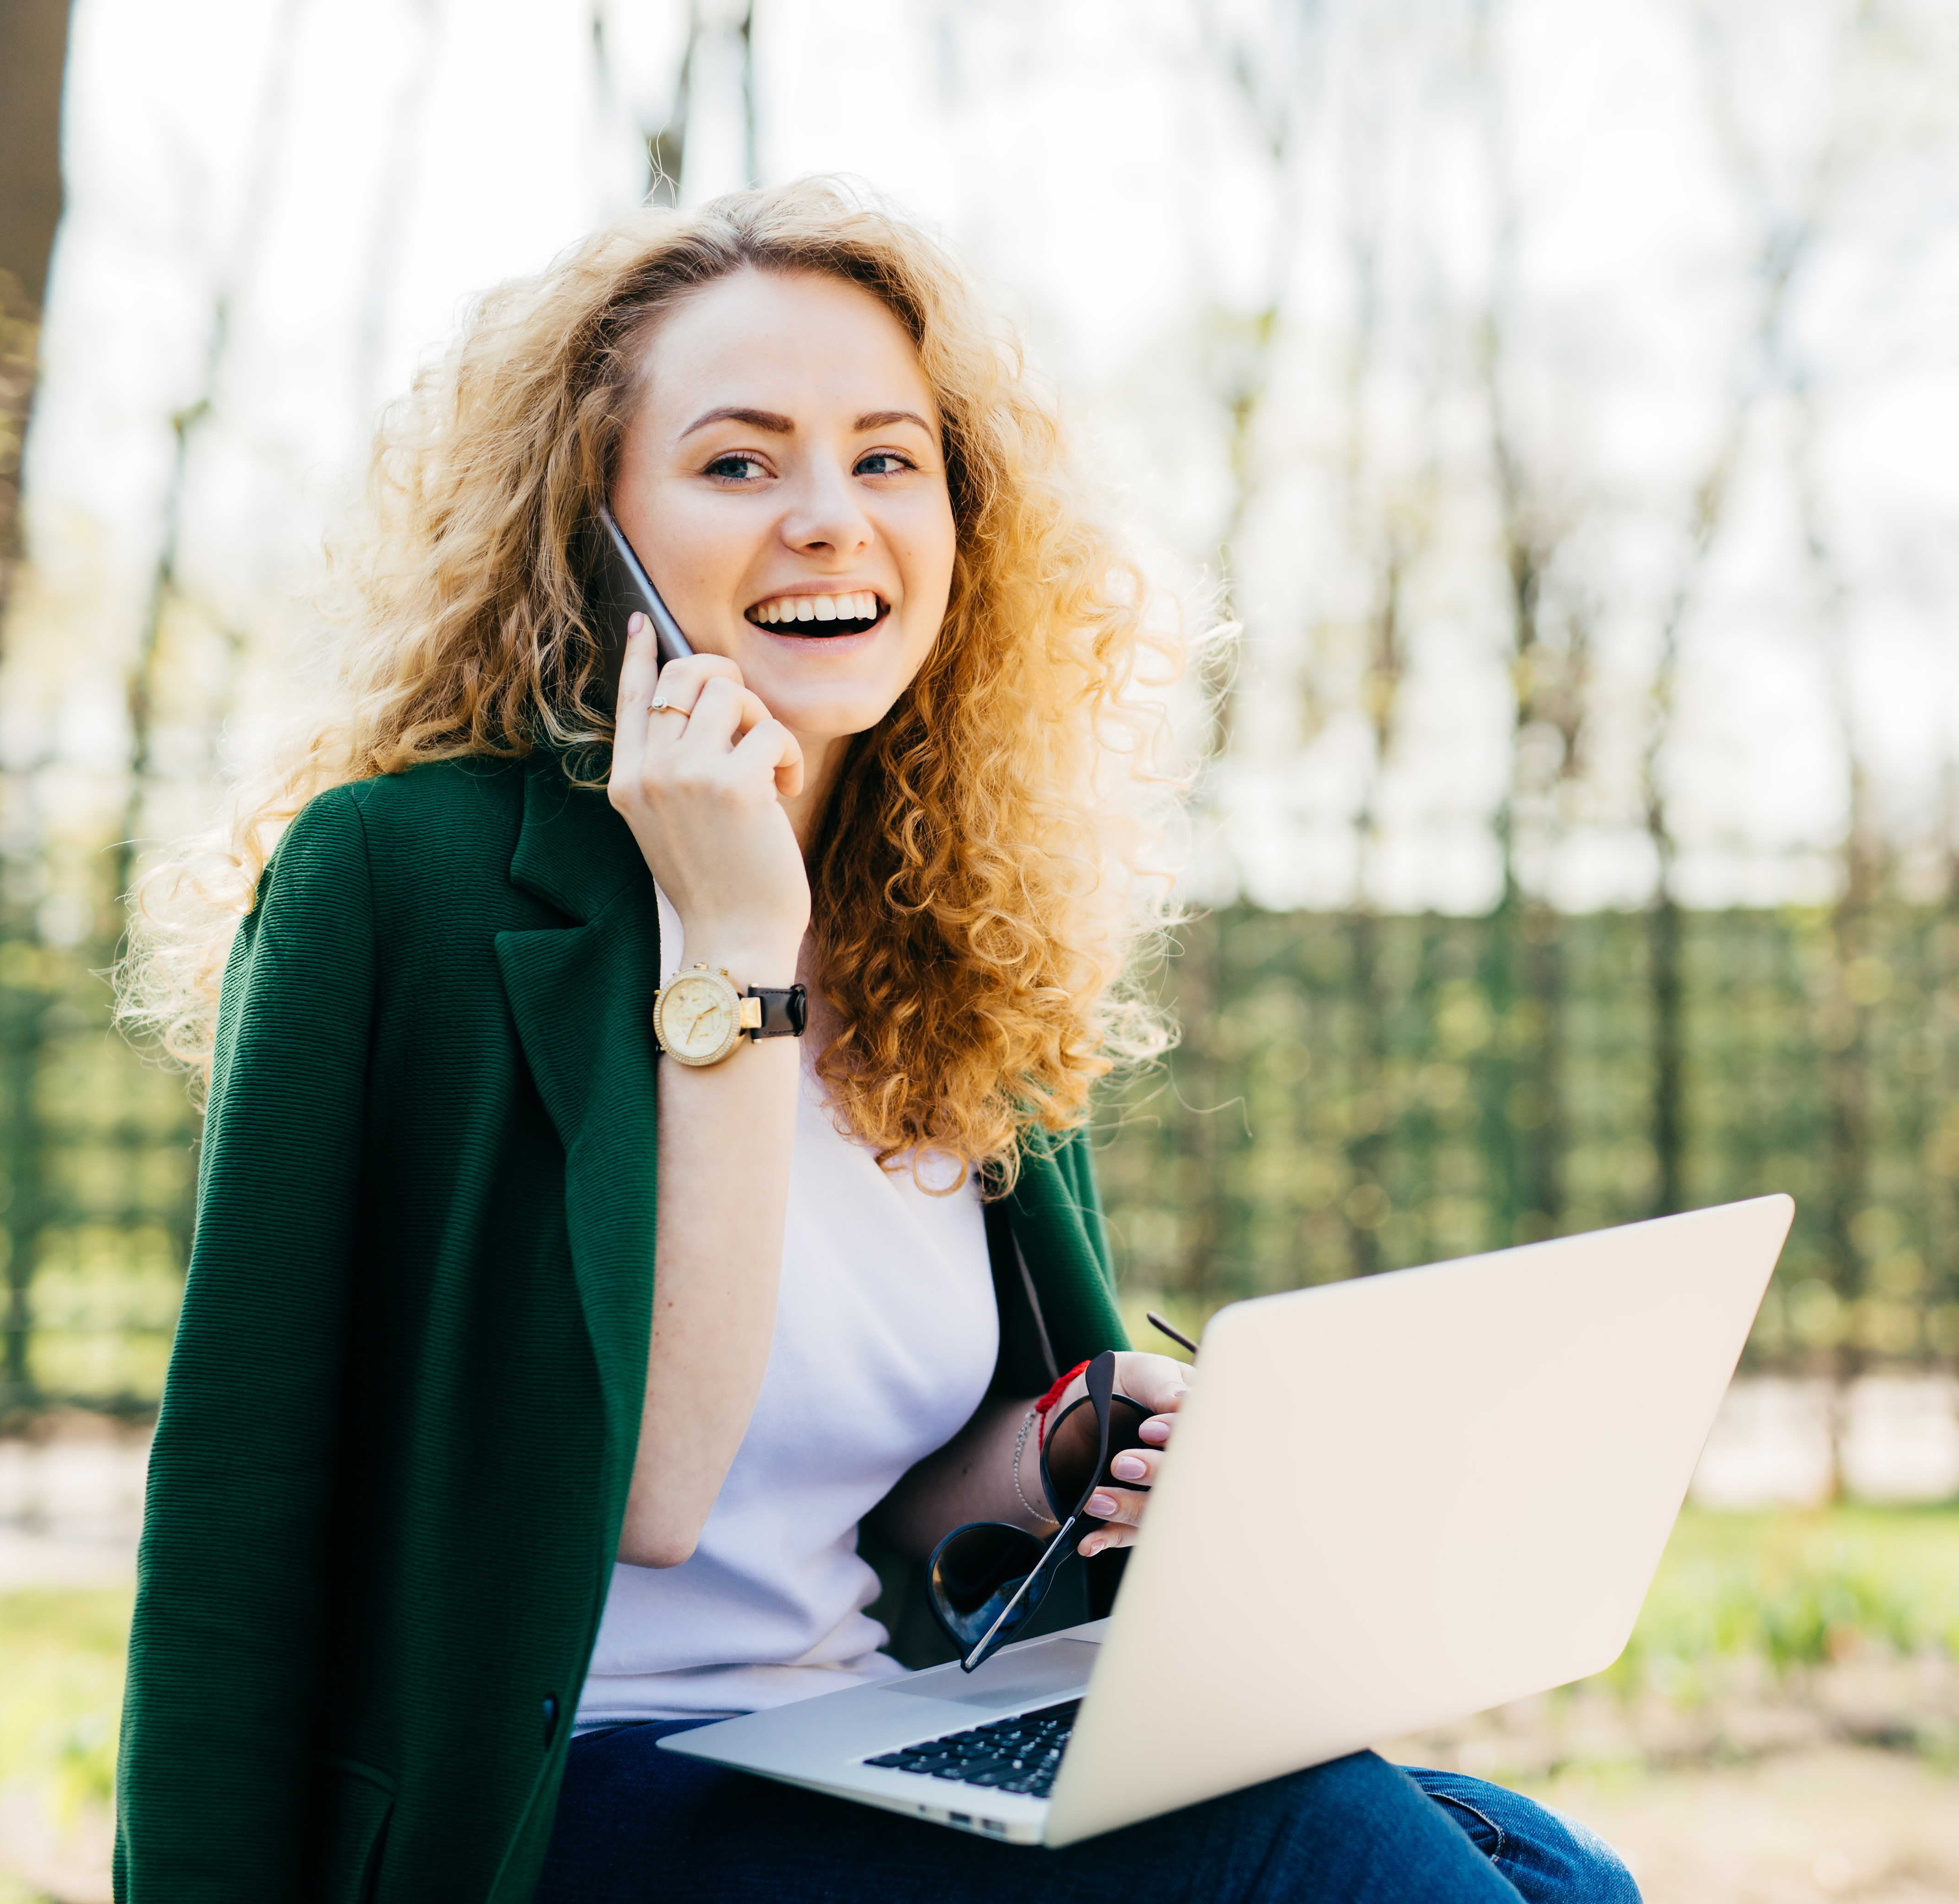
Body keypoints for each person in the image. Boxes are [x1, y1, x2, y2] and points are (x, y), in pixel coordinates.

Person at [112, 177, 1637, 1904]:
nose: (829, 519)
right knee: (1322, 1849)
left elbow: (906, 1490)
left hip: (868, 1738)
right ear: (593, 527)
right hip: (560, 1799)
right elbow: (591, 1493)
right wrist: (737, 944)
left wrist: (1071, 1448)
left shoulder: (956, 917)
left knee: (1541, 1866)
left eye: (888, 459)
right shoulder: (401, 879)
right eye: (739, 463)